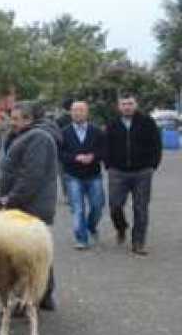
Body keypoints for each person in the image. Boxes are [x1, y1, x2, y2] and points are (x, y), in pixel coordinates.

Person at [0, 101, 61, 310]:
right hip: (26, 205)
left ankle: (34, 297)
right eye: (11, 118)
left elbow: (31, 176)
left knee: (30, 254)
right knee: (32, 252)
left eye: (15, 119)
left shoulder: (38, 138)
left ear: (29, 119)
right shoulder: (23, 135)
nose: (11, 122)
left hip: (31, 206)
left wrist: (11, 199)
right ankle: (39, 296)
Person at [104, 93, 162, 256]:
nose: (127, 107)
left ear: (136, 105)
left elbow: (156, 144)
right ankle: (121, 227)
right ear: (119, 107)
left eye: (130, 103)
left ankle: (138, 242)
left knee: (141, 208)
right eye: (124, 104)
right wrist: (108, 164)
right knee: (115, 205)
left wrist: (152, 165)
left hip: (142, 172)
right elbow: (105, 145)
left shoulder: (147, 122)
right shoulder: (112, 124)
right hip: (118, 171)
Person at [60, 101, 106, 250]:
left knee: (97, 206)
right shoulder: (64, 132)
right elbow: (60, 154)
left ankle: (91, 226)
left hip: (93, 175)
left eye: (81, 110)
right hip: (72, 175)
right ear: (70, 113)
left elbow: (104, 150)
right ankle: (81, 239)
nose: (77, 113)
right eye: (74, 110)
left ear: (87, 113)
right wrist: (75, 158)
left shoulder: (97, 131)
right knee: (77, 208)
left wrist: (93, 156)